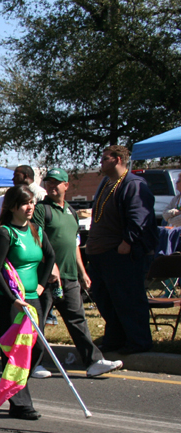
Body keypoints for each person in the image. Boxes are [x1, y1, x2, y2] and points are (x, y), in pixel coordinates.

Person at [33, 168, 123, 378]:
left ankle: (93, 362)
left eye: (57, 183)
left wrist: (82, 272)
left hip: (69, 276)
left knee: (77, 319)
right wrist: (50, 265)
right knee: (38, 321)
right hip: (46, 277)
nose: (52, 186)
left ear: (66, 185)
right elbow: (36, 240)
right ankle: (34, 364)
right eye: (49, 182)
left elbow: (74, 244)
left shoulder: (70, 211)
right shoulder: (41, 209)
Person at [0, 185, 55, 420]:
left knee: (36, 346)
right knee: (13, 350)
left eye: (33, 203)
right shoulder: (5, 233)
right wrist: (13, 299)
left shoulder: (36, 230)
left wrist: (41, 284)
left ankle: (15, 389)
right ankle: (20, 404)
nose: (31, 207)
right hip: (9, 300)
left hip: (33, 298)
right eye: (26, 203)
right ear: (14, 206)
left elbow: (50, 257)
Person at [86, 145, 157, 355]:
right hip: (101, 254)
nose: (101, 162)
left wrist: (128, 242)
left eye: (105, 158)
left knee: (128, 299)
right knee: (106, 298)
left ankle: (138, 342)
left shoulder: (133, 184)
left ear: (118, 159)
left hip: (120, 253)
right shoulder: (106, 183)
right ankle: (115, 340)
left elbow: (139, 216)